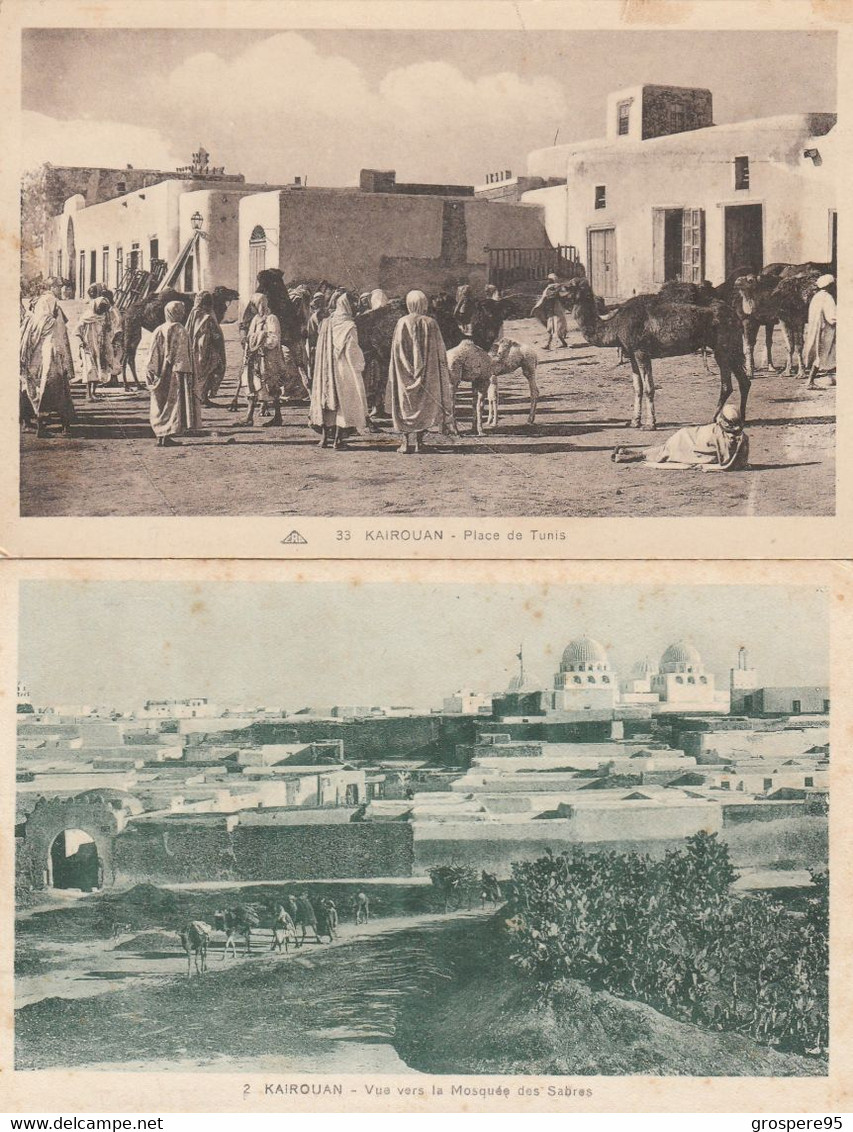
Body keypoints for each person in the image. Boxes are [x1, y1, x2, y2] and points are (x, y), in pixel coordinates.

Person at [389, 289, 456, 453]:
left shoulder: (402, 322)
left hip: (404, 372)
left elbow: (397, 349)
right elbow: (440, 350)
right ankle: (419, 443)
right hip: (427, 373)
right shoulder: (430, 323)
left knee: (405, 405)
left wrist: (404, 368)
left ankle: (405, 443)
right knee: (424, 405)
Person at [310, 290, 369, 449]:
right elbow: (351, 350)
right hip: (343, 368)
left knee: (327, 401)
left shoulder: (327, 322)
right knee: (344, 403)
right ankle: (338, 440)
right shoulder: (349, 326)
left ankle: (323, 439)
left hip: (326, 368)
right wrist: (360, 365)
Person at [611, 402, 749, 469]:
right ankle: (634, 454)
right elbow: (732, 461)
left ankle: (634, 455)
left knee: (665, 451)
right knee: (665, 450)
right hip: (690, 438)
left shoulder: (720, 434)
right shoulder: (738, 438)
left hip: (688, 438)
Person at [19, 292, 76, 436]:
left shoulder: (33, 321)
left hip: (34, 367)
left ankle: (40, 428)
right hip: (51, 366)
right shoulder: (53, 323)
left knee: (36, 396)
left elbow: (26, 344)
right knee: (60, 397)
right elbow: (57, 346)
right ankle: (65, 428)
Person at [145, 300, 192, 447]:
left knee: (160, 403)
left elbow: (152, 353)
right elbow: (181, 354)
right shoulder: (179, 329)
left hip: (159, 372)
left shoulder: (159, 329)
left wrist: (153, 371)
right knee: (172, 404)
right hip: (174, 373)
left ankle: (161, 435)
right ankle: (166, 436)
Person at [244, 292, 286, 427]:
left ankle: (277, 417)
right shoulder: (256, 319)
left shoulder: (271, 319)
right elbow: (250, 336)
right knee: (252, 385)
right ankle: (249, 416)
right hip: (255, 358)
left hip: (268, 359)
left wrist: (260, 339)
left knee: (272, 386)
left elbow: (274, 339)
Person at [186, 290, 226, 414]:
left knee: (200, 373)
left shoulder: (193, 313)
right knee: (212, 371)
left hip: (195, 350)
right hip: (207, 350)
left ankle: (201, 397)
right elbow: (214, 335)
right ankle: (203, 397)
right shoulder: (207, 317)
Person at [804, 273, 836, 389]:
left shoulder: (816, 297)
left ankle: (812, 380)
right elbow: (832, 317)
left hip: (816, 329)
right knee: (821, 355)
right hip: (824, 331)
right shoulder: (828, 298)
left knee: (818, 354)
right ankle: (810, 381)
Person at [76, 297, 111, 401]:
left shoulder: (103, 318)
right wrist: (81, 342)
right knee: (90, 369)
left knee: (99, 369)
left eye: (104, 308)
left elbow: (107, 331)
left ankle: (94, 392)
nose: (101, 310)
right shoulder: (86, 317)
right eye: (100, 307)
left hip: (100, 346)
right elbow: (77, 331)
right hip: (88, 346)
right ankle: (88, 394)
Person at [532, 273, 569, 349]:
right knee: (551, 328)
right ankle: (549, 344)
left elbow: (562, 295)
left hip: (557, 310)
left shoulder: (558, 288)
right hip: (552, 310)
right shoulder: (551, 288)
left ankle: (558, 344)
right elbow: (546, 297)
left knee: (557, 328)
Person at [101, 290, 125, 388]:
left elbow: (118, 323)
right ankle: (112, 379)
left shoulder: (113, 310)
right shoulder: (108, 310)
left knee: (115, 358)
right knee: (110, 358)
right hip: (110, 336)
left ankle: (114, 379)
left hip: (115, 336)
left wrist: (115, 336)